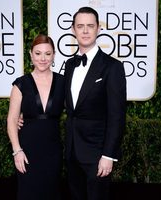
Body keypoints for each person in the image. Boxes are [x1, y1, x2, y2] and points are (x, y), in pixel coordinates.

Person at [64, 6, 127, 200]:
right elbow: (65, 103)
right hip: (72, 152)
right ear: (73, 30)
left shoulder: (113, 67)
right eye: (80, 26)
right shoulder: (70, 64)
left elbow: (117, 116)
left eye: (90, 26)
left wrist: (108, 156)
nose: (85, 31)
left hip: (97, 156)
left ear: (98, 28)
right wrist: (25, 113)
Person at [7, 34, 65, 200]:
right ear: (31, 54)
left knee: (52, 193)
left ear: (54, 55)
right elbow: (12, 119)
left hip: (53, 151)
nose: (43, 58)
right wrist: (17, 151)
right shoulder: (20, 84)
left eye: (47, 54)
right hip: (26, 152)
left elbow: (76, 111)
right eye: (38, 53)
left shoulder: (63, 82)